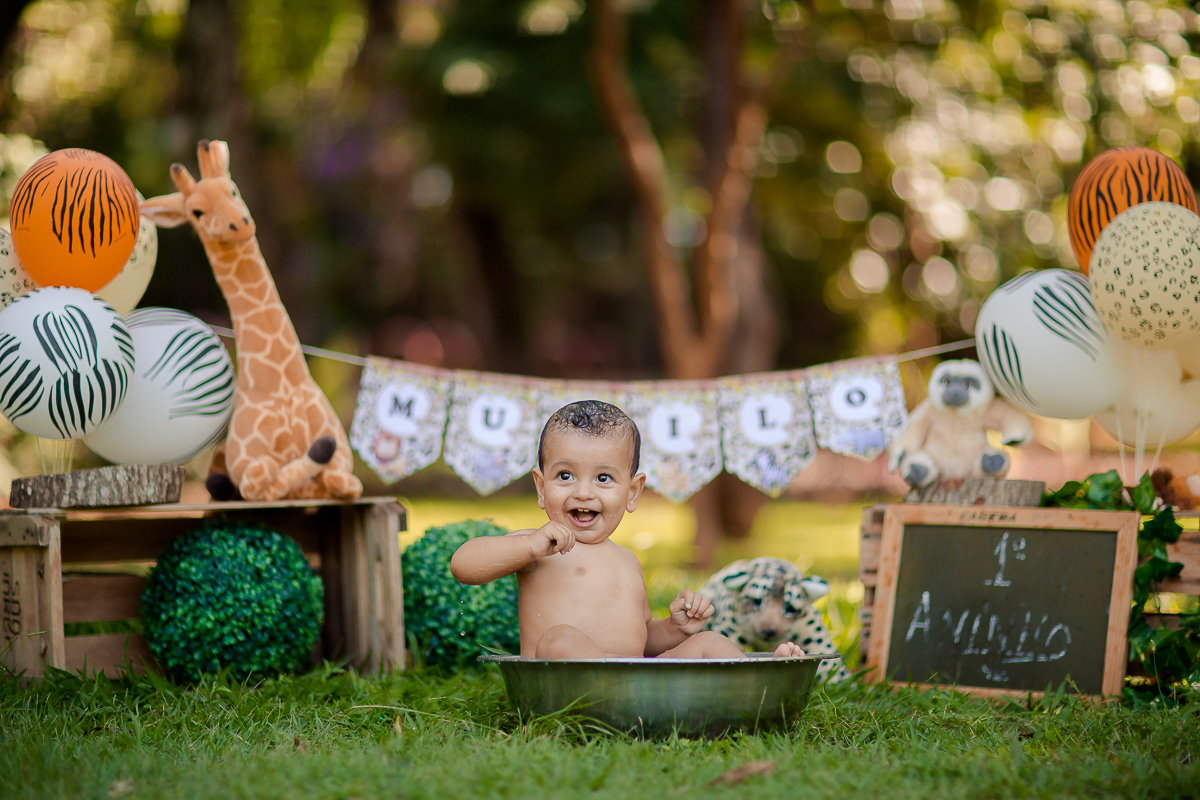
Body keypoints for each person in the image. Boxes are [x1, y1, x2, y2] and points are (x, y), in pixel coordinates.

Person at [450, 399, 805, 660]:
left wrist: (674, 629)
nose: (583, 491)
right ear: (541, 488)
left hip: (637, 680)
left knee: (709, 642)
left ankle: (754, 685)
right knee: (558, 639)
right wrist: (527, 546)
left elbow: (641, 641)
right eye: (565, 475)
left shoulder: (627, 562)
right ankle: (617, 702)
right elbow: (463, 566)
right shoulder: (536, 547)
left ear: (632, 492)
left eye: (603, 478)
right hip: (562, 685)